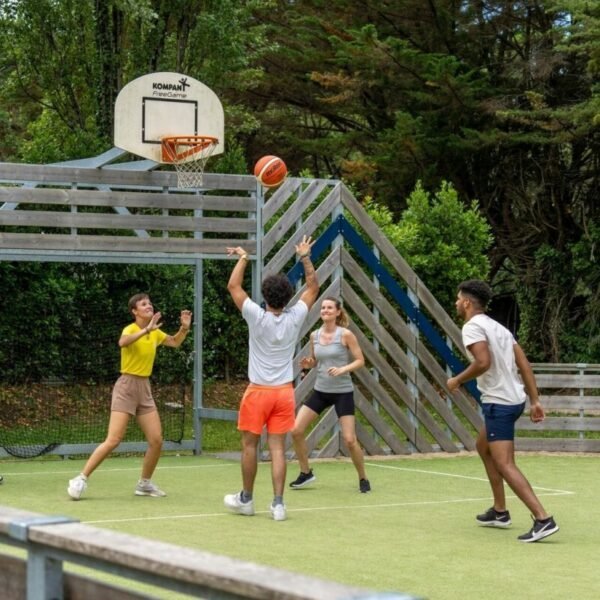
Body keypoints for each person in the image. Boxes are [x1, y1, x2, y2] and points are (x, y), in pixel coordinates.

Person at [446, 280, 559, 543]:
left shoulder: (472, 327)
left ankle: (543, 519)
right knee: (483, 447)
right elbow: (524, 364)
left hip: (500, 403)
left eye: (457, 299)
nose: (455, 303)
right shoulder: (499, 328)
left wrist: (457, 380)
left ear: (466, 302)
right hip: (514, 400)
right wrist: (534, 401)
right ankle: (499, 512)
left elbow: (483, 362)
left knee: (504, 463)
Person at [224, 235, 319, 521]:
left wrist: (243, 257)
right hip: (283, 393)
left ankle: (247, 499)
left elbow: (233, 286)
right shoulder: (295, 317)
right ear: (288, 296)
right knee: (278, 448)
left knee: (250, 446)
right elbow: (313, 286)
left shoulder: (256, 316)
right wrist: (304, 256)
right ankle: (278, 505)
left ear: (265, 296)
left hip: (258, 392)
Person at [67, 293, 192, 500]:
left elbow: (174, 342)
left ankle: (144, 484)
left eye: (150, 303)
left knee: (156, 440)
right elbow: (122, 342)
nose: (148, 306)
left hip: (145, 388)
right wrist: (146, 330)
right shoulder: (131, 329)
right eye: (143, 304)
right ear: (134, 311)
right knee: (114, 439)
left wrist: (184, 328)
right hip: (126, 387)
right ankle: (80, 478)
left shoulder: (156, 332)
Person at [290, 296, 371, 493]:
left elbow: (360, 360)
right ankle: (306, 473)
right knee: (296, 430)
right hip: (321, 391)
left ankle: (363, 478)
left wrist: (343, 369)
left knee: (350, 440)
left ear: (337, 312)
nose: (325, 310)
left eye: (329, 308)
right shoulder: (314, 335)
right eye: (323, 308)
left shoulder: (346, 335)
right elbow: (316, 361)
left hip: (342, 393)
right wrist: (309, 364)